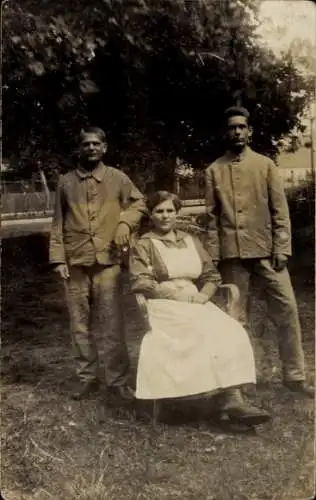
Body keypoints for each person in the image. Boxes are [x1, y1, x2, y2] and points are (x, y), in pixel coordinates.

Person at [129, 190, 270, 426]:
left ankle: (233, 397)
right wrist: (175, 294)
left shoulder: (190, 240)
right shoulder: (144, 244)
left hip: (196, 300)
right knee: (199, 330)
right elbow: (141, 281)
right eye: (159, 211)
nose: (165, 216)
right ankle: (222, 397)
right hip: (163, 303)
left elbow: (211, 275)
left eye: (170, 211)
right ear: (151, 215)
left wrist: (204, 295)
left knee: (230, 329)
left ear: (177, 213)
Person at [205, 106, 313, 397]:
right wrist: (214, 257)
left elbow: (280, 211)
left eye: (242, 127)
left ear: (249, 131)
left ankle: (294, 375)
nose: (237, 132)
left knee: (287, 309)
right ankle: (241, 379)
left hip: (267, 253)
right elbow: (211, 219)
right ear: (225, 133)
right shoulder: (214, 170)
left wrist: (282, 247)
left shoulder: (266, 165)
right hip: (232, 256)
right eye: (231, 128)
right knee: (235, 318)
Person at [49, 126, 146, 401]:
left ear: (104, 148)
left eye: (96, 144)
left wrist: (125, 221)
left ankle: (117, 380)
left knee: (112, 323)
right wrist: (58, 258)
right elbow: (57, 221)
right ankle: (86, 378)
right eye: (86, 144)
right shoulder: (66, 182)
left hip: (108, 262)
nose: (91, 148)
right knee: (79, 324)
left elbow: (140, 203)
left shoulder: (118, 178)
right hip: (76, 262)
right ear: (79, 148)